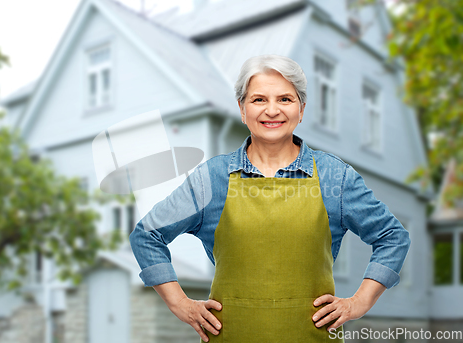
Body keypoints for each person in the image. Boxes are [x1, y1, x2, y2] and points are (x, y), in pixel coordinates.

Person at [129, 54, 411, 342]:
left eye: (285, 100)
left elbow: (392, 237)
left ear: (301, 109)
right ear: (242, 109)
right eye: (259, 100)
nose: (272, 110)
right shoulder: (213, 178)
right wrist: (179, 303)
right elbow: (147, 234)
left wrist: (359, 302)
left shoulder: (333, 176)